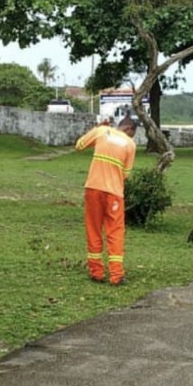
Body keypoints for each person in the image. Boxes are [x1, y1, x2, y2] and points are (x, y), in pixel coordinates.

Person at [75, 114, 137, 285]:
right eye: (133, 133)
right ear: (129, 129)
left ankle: (96, 272)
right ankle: (116, 275)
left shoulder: (102, 131)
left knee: (93, 228)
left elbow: (79, 145)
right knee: (115, 231)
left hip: (93, 188)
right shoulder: (130, 144)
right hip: (114, 193)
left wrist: (96, 128)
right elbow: (125, 174)